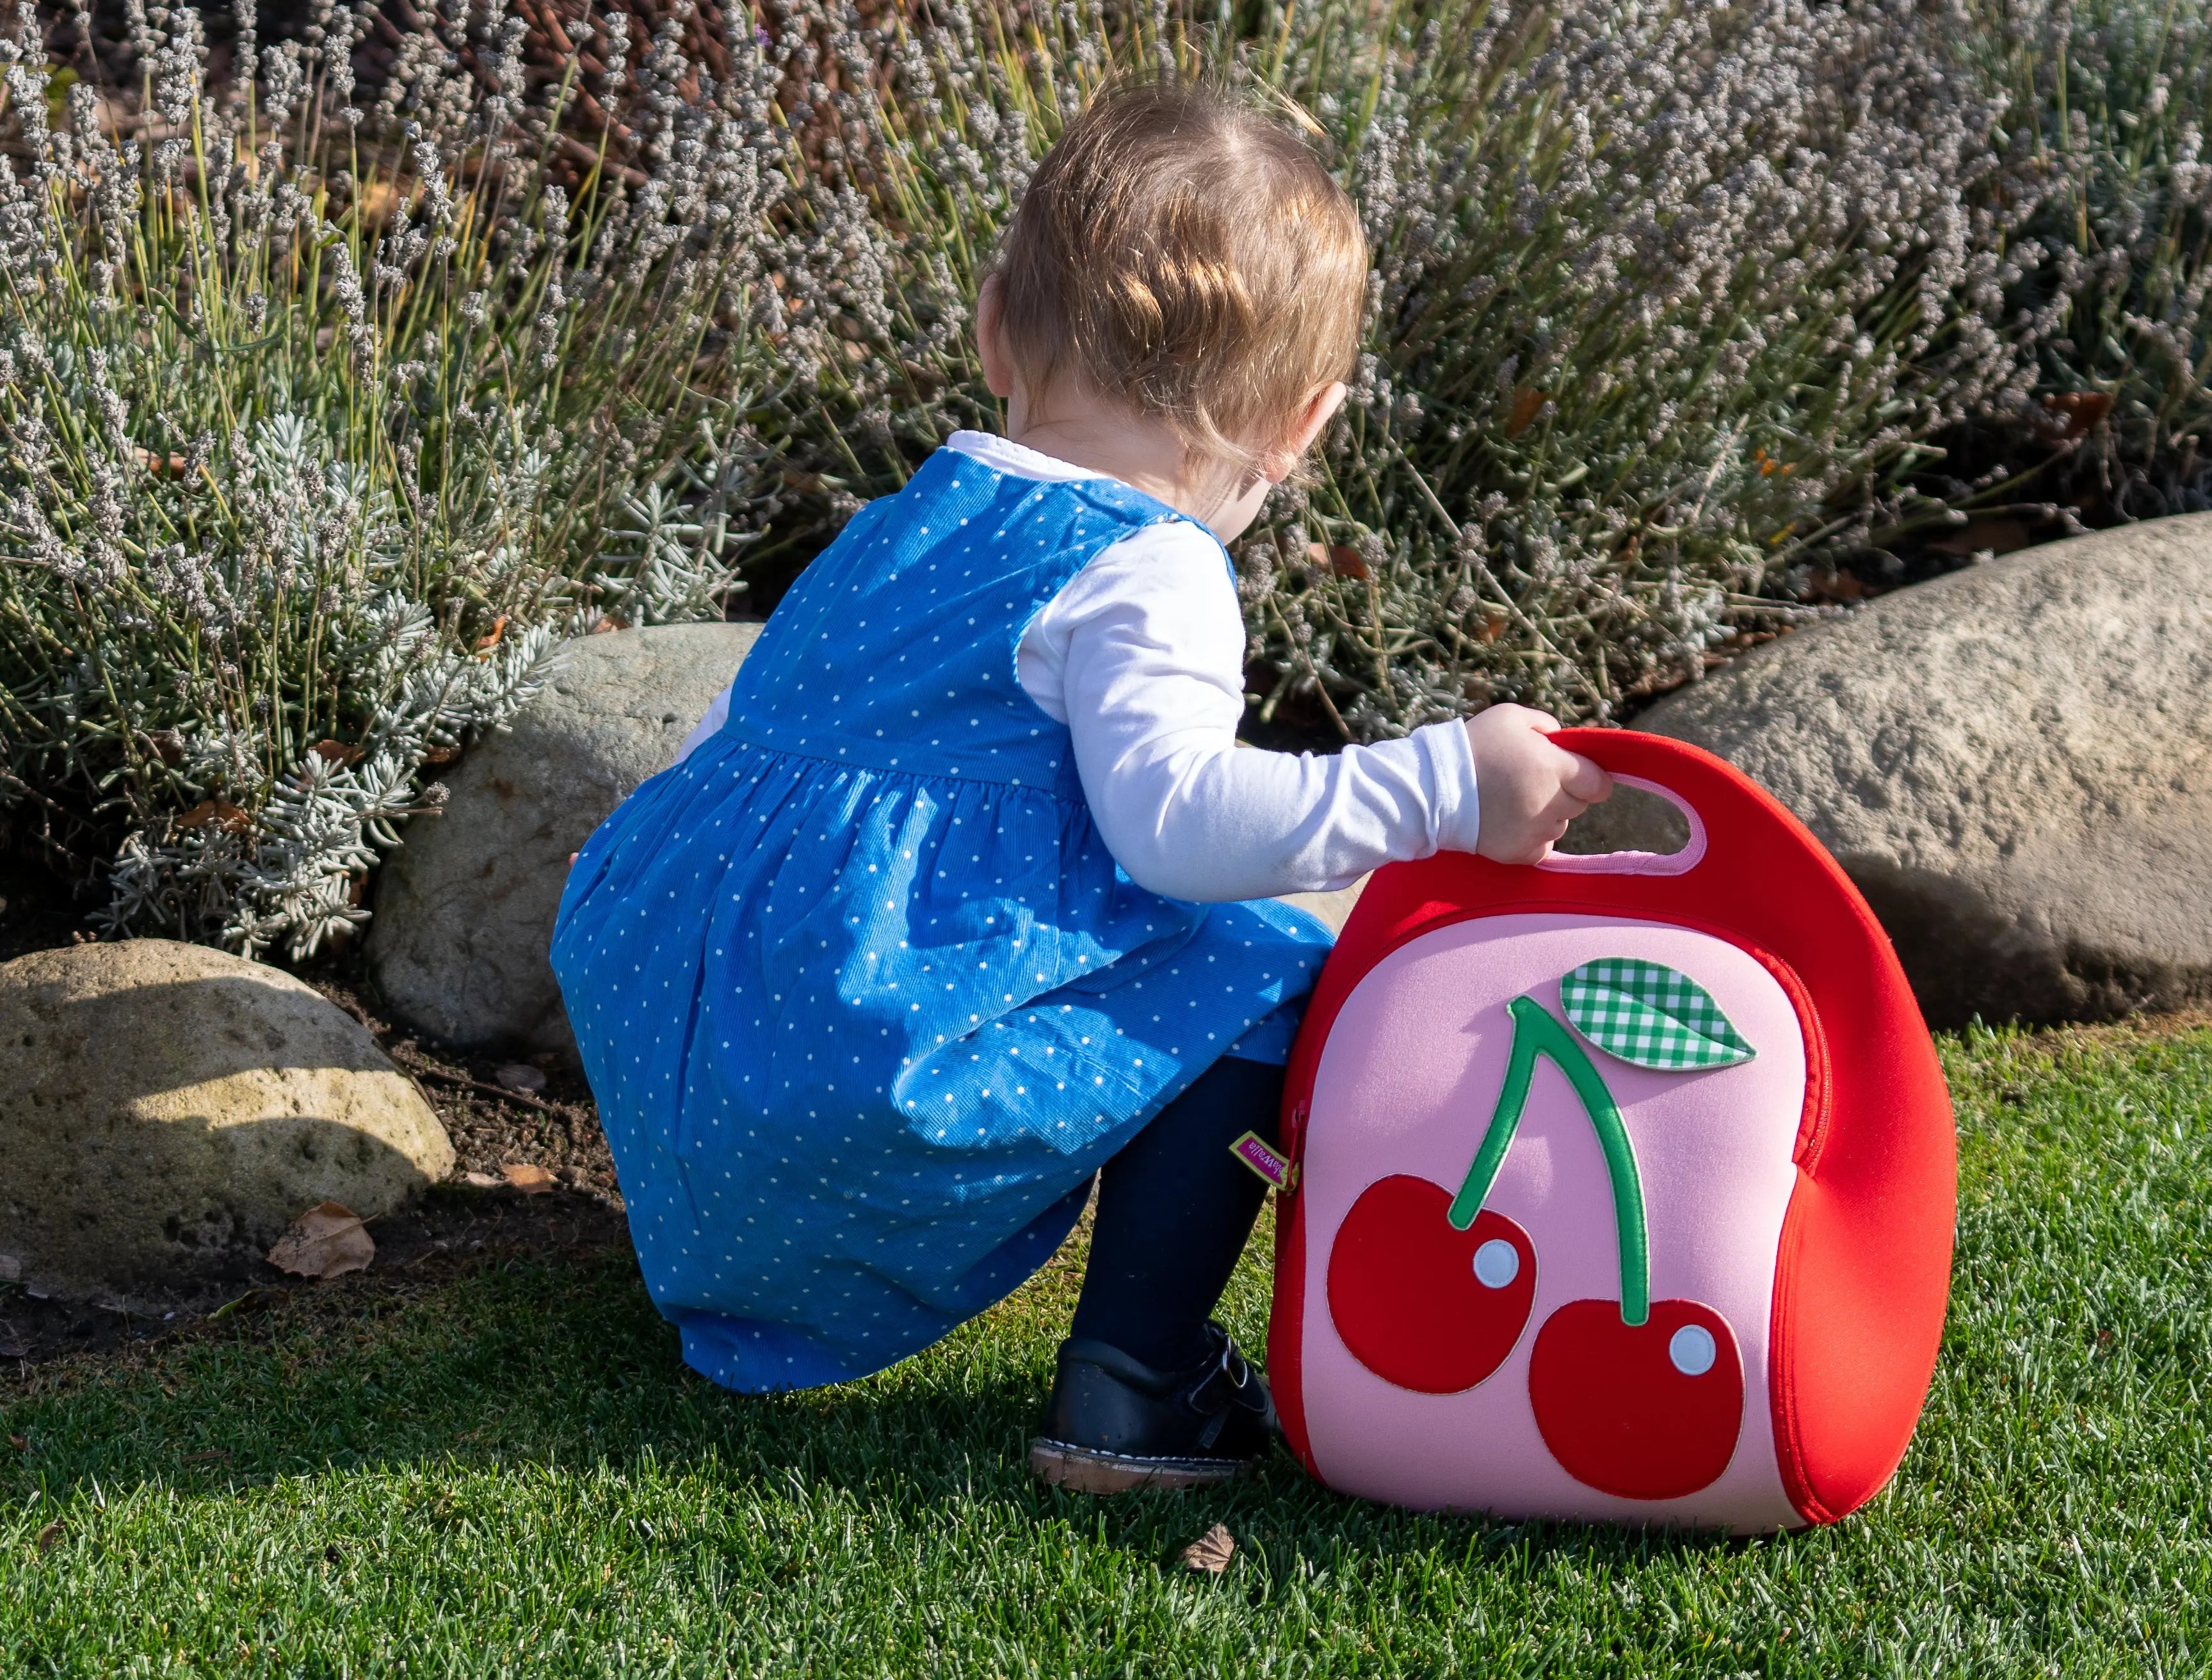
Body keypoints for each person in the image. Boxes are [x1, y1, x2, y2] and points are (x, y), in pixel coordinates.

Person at [550, 80, 1611, 1492]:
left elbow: (737, 768)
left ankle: (742, 1274)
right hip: (860, 1083)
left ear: (994, 324)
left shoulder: (894, 526)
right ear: (1304, 423)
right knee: (1268, 960)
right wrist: (1445, 784)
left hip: (703, 1070)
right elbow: (1174, 831)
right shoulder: (1150, 563)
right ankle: (1135, 1381)